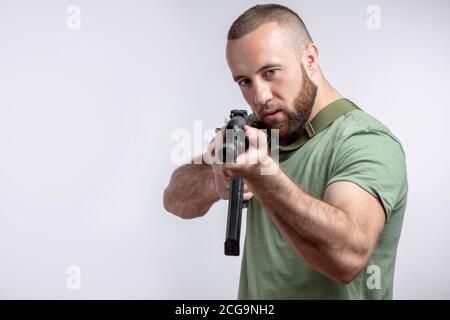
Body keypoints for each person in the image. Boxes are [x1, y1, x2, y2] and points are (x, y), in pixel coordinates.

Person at [163, 4, 408, 299]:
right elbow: (173, 198)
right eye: (245, 81)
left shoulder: (365, 140)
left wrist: (263, 177)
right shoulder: (259, 130)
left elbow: (346, 258)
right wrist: (214, 183)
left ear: (310, 58)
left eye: (270, 72)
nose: (260, 96)